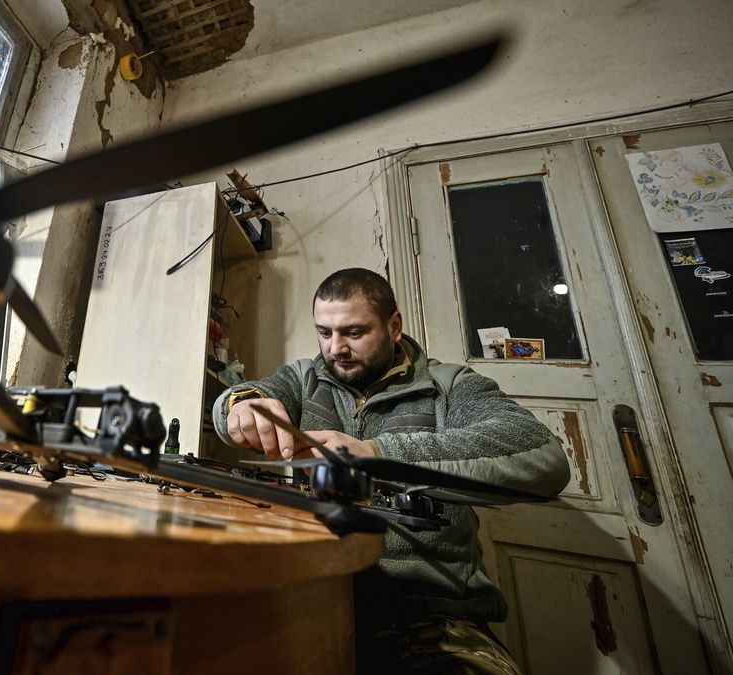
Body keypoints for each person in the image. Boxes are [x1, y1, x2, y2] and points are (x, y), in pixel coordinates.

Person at [212, 268, 570, 674]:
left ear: (394, 325)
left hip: (426, 614)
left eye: (353, 332)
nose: (336, 349)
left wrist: (376, 452)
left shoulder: (450, 385)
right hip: (304, 598)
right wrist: (242, 402)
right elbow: (239, 401)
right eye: (324, 333)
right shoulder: (303, 377)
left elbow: (543, 455)